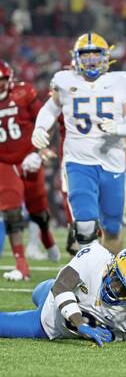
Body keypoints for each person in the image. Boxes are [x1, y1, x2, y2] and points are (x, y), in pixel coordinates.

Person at [31, 32, 126, 254]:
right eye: (86, 54)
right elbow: (49, 109)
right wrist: (40, 128)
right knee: (84, 226)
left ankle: (108, 275)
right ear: (76, 57)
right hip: (78, 161)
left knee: (112, 228)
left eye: (96, 54)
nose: (91, 59)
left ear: (106, 57)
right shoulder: (65, 81)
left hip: (112, 162)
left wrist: (119, 129)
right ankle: (87, 275)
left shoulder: (119, 82)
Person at [0, 245, 126, 346]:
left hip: (56, 323)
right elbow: (61, 287)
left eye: (125, 291)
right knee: (41, 290)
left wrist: (114, 336)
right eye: (117, 279)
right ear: (112, 266)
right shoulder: (95, 257)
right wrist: (80, 324)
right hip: (50, 315)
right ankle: (44, 287)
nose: (115, 290)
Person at [0, 60, 59, 282]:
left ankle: (47, 239)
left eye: (2, 81)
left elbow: (46, 121)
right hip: (4, 162)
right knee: (12, 212)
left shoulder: (24, 93)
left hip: (29, 157)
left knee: (39, 211)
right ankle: (21, 266)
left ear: (9, 79)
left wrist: (39, 150)